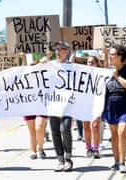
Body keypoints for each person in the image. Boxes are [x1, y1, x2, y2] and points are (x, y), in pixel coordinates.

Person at [102, 44, 126, 173]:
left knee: (122, 132)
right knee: (114, 135)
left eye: (112, 54)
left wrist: (117, 76)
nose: (110, 57)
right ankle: (116, 161)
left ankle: (122, 162)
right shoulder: (106, 71)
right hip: (111, 105)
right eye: (109, 54)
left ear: (120, 56)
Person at [48, 41, 74, 172]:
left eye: (61, 49)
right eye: (56, 48)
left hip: (68, 105)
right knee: (55, 132)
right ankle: (59, 159)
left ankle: (68, 158)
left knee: (65, 129)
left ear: (66, 51)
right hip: (53, 103)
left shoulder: (73, 67)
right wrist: (45, 59)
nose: (57, 51)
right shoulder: (50, 65)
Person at [81, 55, 103, 159]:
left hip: (97, 102)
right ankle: (88, 148)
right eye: (88, 62)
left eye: (92, 62)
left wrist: (106, 54)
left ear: (97, 63)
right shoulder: (82, 74)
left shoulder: (100, 74)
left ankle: (96, 148)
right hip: (85, 102)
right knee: (86, 126)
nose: (89, 64)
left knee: (95, 125)